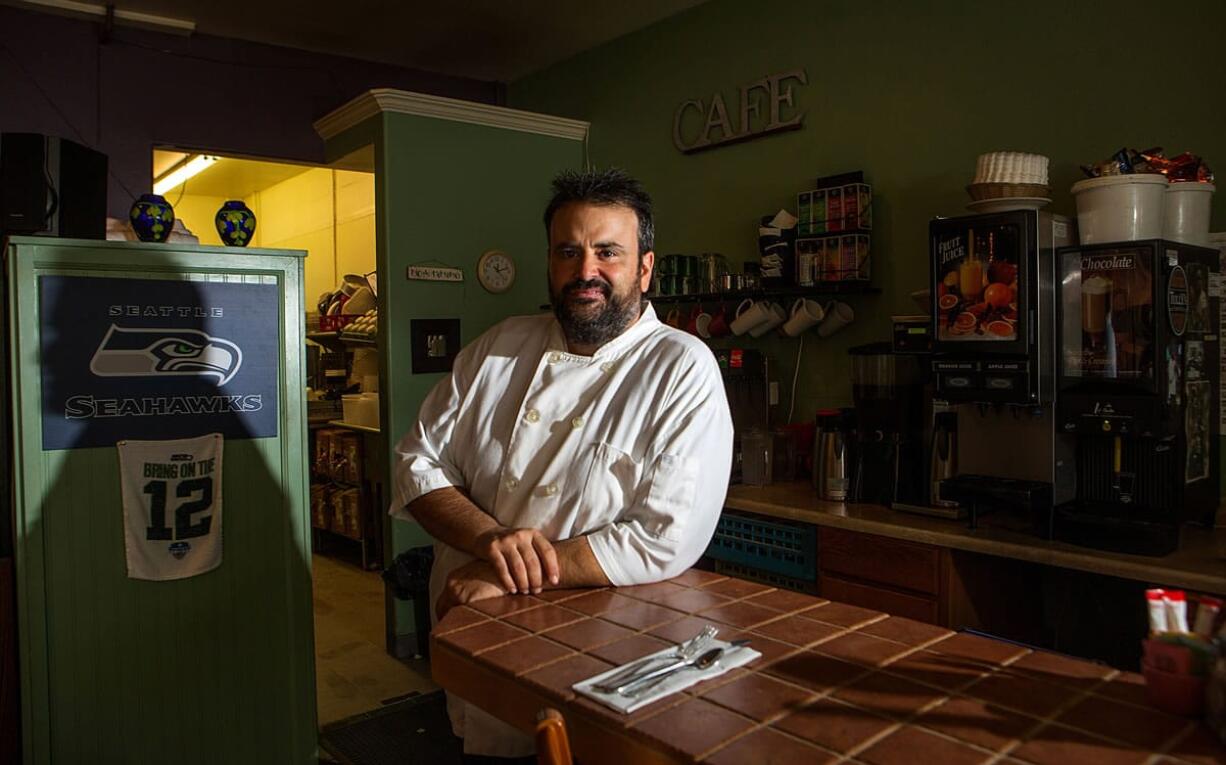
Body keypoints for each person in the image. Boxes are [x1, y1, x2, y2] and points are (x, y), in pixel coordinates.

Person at [389, 168, 734, 761]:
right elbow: (417, 466)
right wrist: (492, 537)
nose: (586, 272)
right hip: (481, 645)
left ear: (645, 268)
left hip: (601, 659)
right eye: (568, 252)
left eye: (607, 252)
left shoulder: (681, 367)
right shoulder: (497, 348)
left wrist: (507, 573)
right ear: (549, 261)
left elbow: (665, 535)